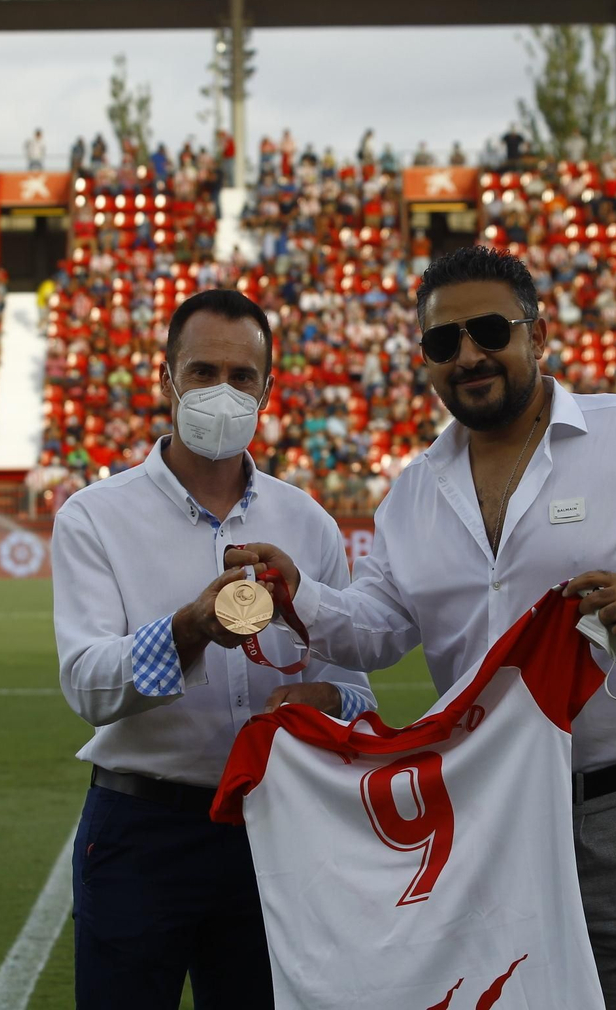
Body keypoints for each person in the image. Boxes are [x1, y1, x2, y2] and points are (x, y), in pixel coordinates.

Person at [230, 245, 616, 1009]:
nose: (469, 355)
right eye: (443, 342)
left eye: (489, 330)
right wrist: (301, 596)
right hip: (494, 819)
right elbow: (377, 628)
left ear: (538, 337)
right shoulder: (413, 492)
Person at [51, 288, 376, 1010]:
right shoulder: (95, 518)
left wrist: (329, 698)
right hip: (143, 827)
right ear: (166, 377)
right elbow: (86, 686)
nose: (222, 392)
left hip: (275, 827)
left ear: (269, 386)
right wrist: (189, 628)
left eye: (241, 376)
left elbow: (359, 692)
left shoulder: (309, 522)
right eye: (202, 372)